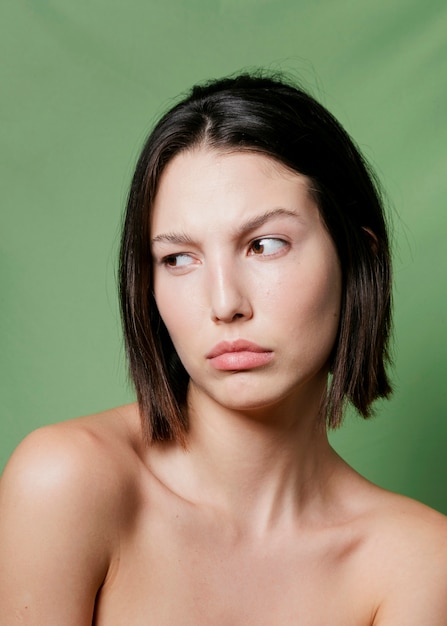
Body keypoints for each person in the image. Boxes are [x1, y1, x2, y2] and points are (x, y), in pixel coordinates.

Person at [0, 72, 446, 625]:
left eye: (264, 245)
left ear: (356, 257)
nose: (224, 302)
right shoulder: (67, 483)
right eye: (179, 258)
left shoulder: (419, 562)